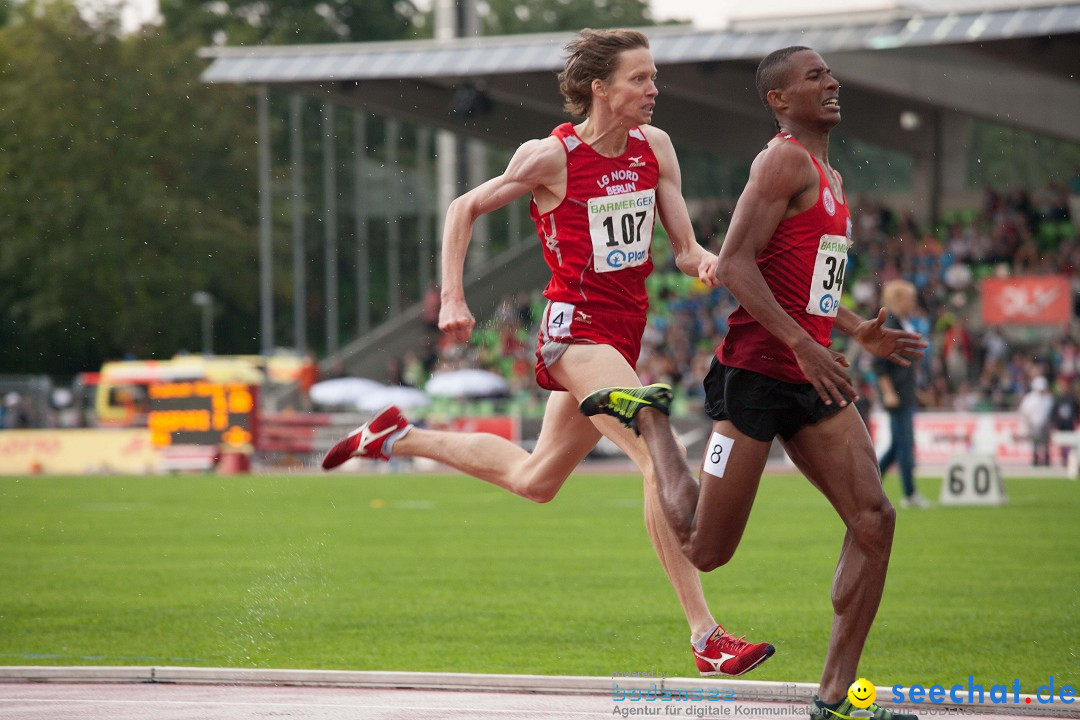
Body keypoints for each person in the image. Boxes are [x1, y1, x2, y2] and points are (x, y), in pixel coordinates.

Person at [321, 28, 773, 677]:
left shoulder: (655, 149)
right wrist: (452, 296)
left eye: (654, 77)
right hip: (573, 332)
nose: (654, 90)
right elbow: (463, 207)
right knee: (655, 450)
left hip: (622, 332)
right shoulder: (551, 156)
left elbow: (681, 246)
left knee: (536, 480)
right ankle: (706, 635)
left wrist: (706, 261)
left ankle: (400, 435)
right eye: (640, 79)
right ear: (599, 87)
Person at [581, 47, 926, 720]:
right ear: (778, 99)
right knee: (707, 550)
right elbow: (735, 263)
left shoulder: (829, 174)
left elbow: (808, 281)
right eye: (813, 77)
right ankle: (651, 420)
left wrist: (854, 330)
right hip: (757, 376)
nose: (830, 83)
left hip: (813, 375)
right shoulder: (781, 161)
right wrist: (801, 343)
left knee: (875, 520)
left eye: (830, 74)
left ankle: (836, 701)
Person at [873, 280, 930, 508]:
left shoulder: (903, 323)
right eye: (910, 298)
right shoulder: (891, 326)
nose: (914, 302)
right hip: (896, 395)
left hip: (903, 392)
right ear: (897, 299)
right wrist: (888, 392)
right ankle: (910, 494)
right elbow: (880, 366)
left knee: (897, 447)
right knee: (905, 444)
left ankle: (869, 485)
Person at [1019, 376, 1054, 466]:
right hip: (1033, 425)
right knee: (1035, 443)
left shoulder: (1048, 398)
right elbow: (1024, 412)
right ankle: (1035, 460)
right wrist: (1028, 424)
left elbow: (1052, 412)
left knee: (1045, 443)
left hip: (1045, 425)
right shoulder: (1030, 399)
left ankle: (1046, 460)